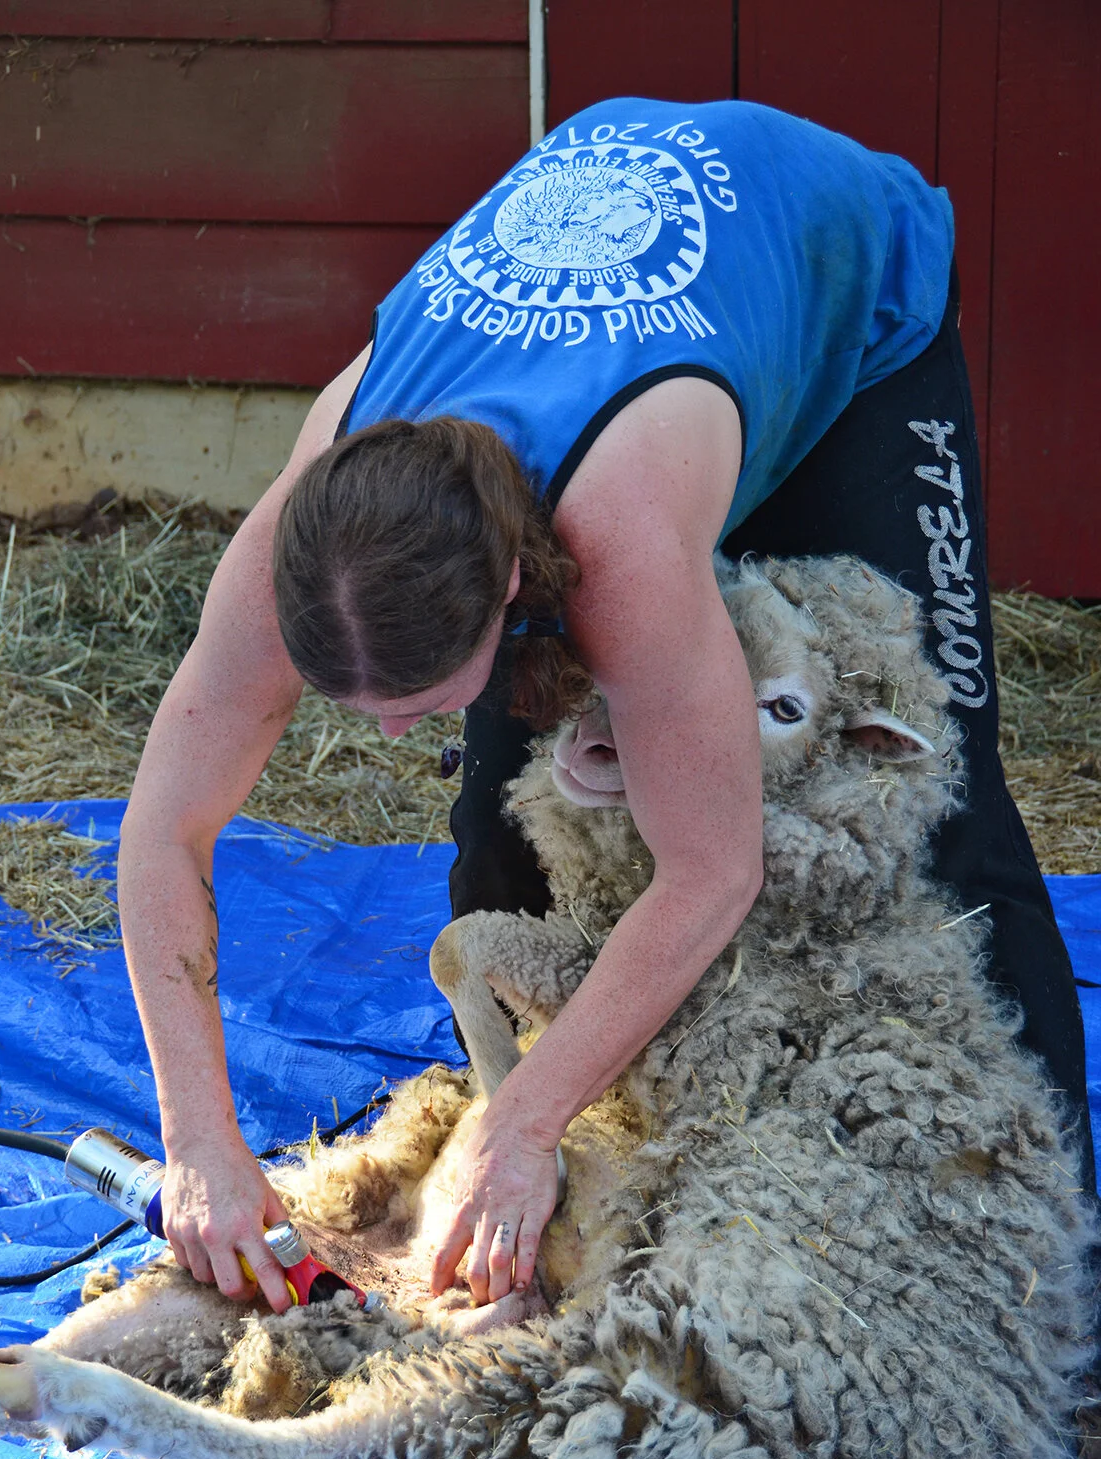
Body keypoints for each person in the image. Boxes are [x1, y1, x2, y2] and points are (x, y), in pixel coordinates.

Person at [117, 97, 1095, 1318]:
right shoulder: (312, 524)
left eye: (416, 698)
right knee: (505, 813)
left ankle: (1060, 1300)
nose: (384, 734)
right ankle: (557, 1209)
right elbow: (163, 831)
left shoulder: (615, 532)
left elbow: (712, 871)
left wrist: (522, 1127)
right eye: (354, 701)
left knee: (928, 808)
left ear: (517, 584)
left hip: (844, 301)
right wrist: (201, 1139)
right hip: (607, 367)